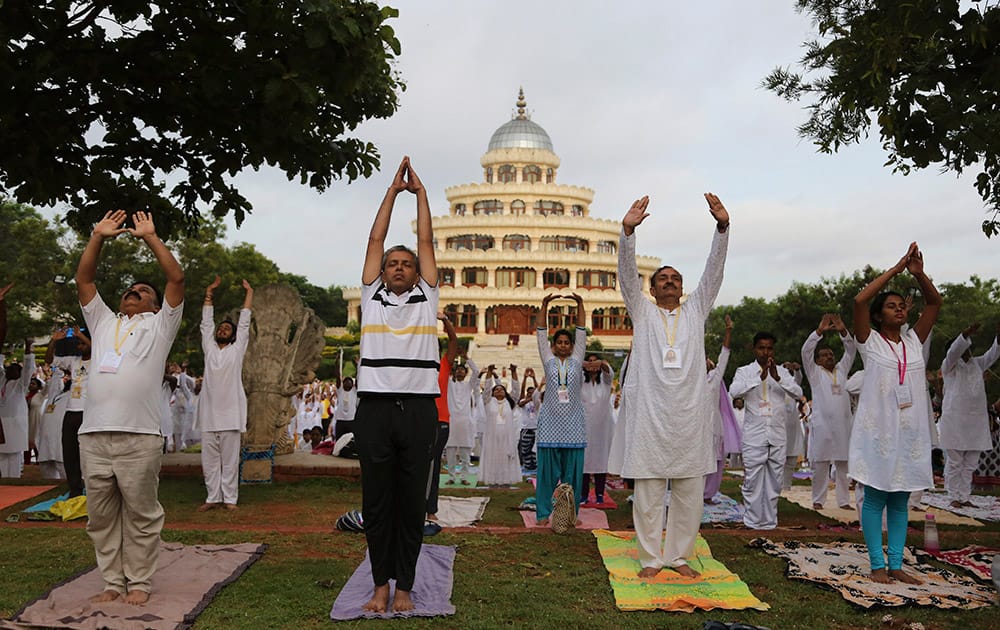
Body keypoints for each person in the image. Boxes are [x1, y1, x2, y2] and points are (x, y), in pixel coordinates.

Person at [617, 193, 730, 578]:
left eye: (675, 279)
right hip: (650, 413)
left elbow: (713, 273)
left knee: (687, 492)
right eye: (662, 278)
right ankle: (650, 558)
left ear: (682, 288)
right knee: (648, 492)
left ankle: (679, 556)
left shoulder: (696, 309)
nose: (670, 282)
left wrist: (722, 229)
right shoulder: (642, 311)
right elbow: (625, 274)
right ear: (650, 289)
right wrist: (628, 232)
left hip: (689, 414)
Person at [75, 209, 185, 605]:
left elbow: (176, 279)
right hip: (94, 435)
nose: (134, 291)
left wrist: (150, 238)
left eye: (143, 290)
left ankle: (138, 582)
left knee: (141, 513)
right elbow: (84, 279)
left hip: (140, 436)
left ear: (157, 307)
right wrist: (97, 237)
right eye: (129, 289)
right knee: (100, 517)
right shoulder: (104, 322)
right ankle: (112, 582)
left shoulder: (160, 326)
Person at [355, 156, 439, 613]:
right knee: (377, 502)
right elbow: (375, 238)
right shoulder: (372, 295)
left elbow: (425, 238)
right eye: (393, 264)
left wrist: (421, 195)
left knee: (411, 505)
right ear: (383, 272)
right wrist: (391, 192)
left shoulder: (428, 295)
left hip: (420, 408)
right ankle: (378, 586)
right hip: (375, 409)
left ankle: (403, 585)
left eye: (407, 263)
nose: (401, 268)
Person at [850, 242, 941, 585]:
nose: (900, 310)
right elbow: (859, 301)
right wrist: (897, 267)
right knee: (875, 497)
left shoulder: (913, 342)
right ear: (878, 316)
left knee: (901, 498)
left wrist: (918, 275)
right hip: (880, 431)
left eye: (902, 305)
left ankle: (897, 565)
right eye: (891, 306)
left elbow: (934, 303)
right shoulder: (869, 341)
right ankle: (877, 565)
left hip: (910, 431)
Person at [730, 332, 803, 530]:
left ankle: (769, 522)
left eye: (769, 348)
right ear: (754, 349)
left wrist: (778, 378)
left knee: (774, 480)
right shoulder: (745, 371)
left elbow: (798, 393)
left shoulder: (781, 372)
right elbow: (734, 391)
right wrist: (758, 378)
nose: (765, 352)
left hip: (777, 434)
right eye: (761, 347)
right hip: (754, 434)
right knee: (753, 480)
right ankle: (752, 521)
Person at [196, 276, 253, 512]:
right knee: (209, 460)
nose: (222, 329)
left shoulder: (237, 349)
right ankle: (212, 497)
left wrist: (249, 293)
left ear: (232, 336)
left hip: (231, 412)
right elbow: (206, 324)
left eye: (227, 329)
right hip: (208, 412)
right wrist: (209, 295)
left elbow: (245, 323)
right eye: (221, 328)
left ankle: (230, 498)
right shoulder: (209, 348)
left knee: (229, 461)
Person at [534, 293, 587, 525]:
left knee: (572, 476)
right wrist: (545, 305)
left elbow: (582, 331)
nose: (563, 345)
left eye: (567, 342)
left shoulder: (577, 360)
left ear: (572, 346)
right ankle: (544, 513)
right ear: (554, 347)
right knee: (546, 475)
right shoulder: (548, 361)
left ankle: (570, 515)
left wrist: (581, 305)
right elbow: (540, 334)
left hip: (574, 426)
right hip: (550, 426)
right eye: (559, 343)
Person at [939, 322, 1000, 508]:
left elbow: (993, 354)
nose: (968, 352)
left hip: (976, 422)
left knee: (971, 463)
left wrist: (998, 337)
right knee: (955, 462)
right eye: (964, 348)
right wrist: (965, 333)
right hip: (955, 420)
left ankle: (965, 497)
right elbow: (953, 353)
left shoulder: (977, 364)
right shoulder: (949, 366)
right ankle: (953, 496)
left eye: (969, 349)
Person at [801, 314, 856, 510]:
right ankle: (818, 500)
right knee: (821, 465)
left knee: (843, 465)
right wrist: (818, 332)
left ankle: (843, 501)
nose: (830, 356)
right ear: (817, 360)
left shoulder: (841, 370)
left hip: (843, 426)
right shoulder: (815, 373)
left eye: (831, 354)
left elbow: (850, 350)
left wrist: (843, 330)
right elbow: (805, 352)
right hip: (822, 426)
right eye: (824, 355)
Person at [46, 326, 92, 496]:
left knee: (89, 453)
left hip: (89, 412)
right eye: (78, 343)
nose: (80, 346)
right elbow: (50, 360)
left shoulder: (99, 359)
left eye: (82, 343)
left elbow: (96, 348)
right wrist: (54, 341)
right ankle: (75, 489)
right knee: (69, 452)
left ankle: (93, 489)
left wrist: (83, 335)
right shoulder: (73, 361)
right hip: (71, 412)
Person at [0, 283, 37, 479]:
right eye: (10, 367)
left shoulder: (20, 385)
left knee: (13, 460)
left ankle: (13, 482)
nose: (13, 368)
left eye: (17, 368)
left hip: (15, 425)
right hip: (1, 422)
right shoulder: (2, 381)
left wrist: (29, 348)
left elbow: (29, 368)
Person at [427, 313, 458, 522]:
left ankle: (430, 508)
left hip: (440, 421)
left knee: (433, 464)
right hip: (419, 420)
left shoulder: (444, 365)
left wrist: (445, 320)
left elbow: (454, 341)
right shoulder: (417, 366)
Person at [704, 314, 735, 502]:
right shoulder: (690, 381)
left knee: (716, 463)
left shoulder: (714, 378)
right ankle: (695, 495)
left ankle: (708, 495)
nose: (705, 361)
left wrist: (728, 331)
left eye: (706, 358)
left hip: (715, 427)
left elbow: (724, 355)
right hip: (695, 429)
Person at [478, 365, 522, 486]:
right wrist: (490, 372)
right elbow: (486, 389)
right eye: (496, 389)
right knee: (493, 458)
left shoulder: (510, 402)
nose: (498, 390)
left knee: (506, 458)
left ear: (505, 392)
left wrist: (514, 372)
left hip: (507, 437)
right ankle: (493, 482)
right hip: (492, 437)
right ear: (492, 393)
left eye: (501, 389)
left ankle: (506, 481)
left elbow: (516, 390)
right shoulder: (488, 401)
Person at [581, 354, 614, 505]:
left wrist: (601, 363)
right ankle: (583, 494)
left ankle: (600, 493)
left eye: (596, 362)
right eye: (590, 362)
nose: (592, 365)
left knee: (601, 461)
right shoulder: (581, 381)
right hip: (584, 427)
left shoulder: (606, 382)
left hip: (602, 427)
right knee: (584, 462)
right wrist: (583, 364)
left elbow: (608, 370)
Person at [445, 350, 478, 486]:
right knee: (451, 452)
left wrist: (467, 359)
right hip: (452, 421)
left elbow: (476, 372)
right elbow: (444, 373)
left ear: (465, 374)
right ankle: (452, 477)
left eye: (462, 370)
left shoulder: (468, 385)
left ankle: (464, 476)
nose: (459, 372)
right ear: (454, 373)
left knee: (465, 453)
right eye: (457, 370)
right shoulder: (449, 385)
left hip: (465, 422)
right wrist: (450, 361)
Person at [517, 368, 539, 472]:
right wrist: (525, 378)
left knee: (534, 449)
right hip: (526, 428)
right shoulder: (523, 401)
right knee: (525, 449)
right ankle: (527, 465)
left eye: (533, 392)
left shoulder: (538, 402)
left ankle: (534, 465)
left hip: (536, 428)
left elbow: (539, 390)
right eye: (529, 392)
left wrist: (534, 378)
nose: (531, 393)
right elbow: (520, 402)